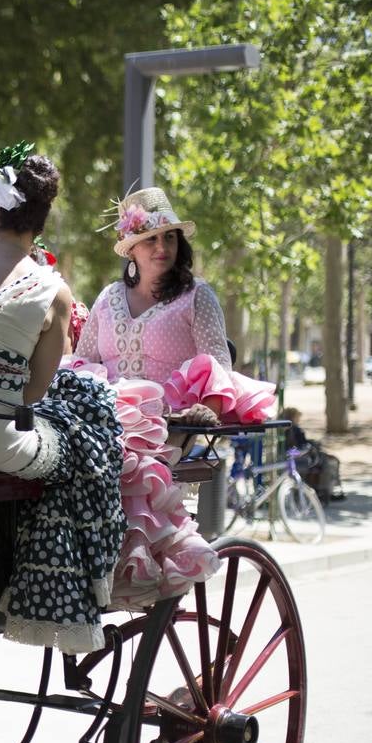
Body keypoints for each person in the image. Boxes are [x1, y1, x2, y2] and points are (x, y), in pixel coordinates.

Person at [0, 145, 124, 652]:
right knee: (82, 451)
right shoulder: (52, 289)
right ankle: (58, 584)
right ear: (41, 221)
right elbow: (35, 390)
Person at [71, 187, 276, 608]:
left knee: (119, 462)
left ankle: (134, 571)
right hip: (106, 419)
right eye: (150, 238)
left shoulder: (196, 296)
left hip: (168, 428)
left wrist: (207, 409)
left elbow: (217, 363)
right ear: (131, 247)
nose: (162, 246)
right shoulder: (108, 298)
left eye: (169, 237)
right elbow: (82, 362)